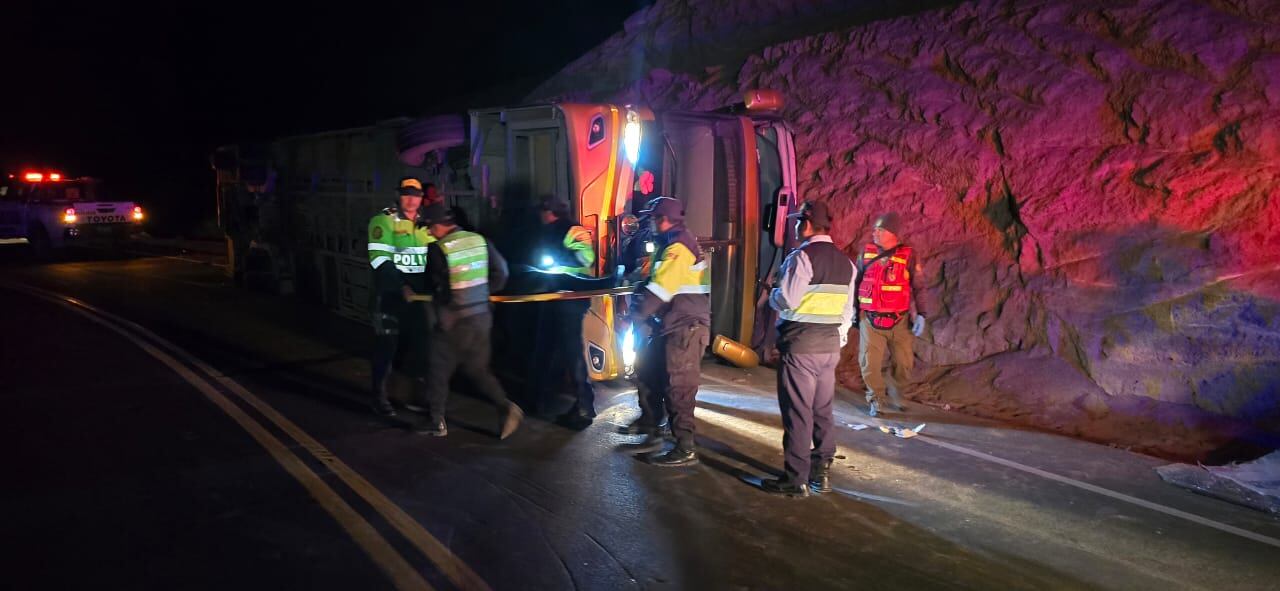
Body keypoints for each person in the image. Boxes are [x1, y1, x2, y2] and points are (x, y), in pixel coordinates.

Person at [761, 201, 856, 497]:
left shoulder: (801, 257)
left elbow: (788, 299)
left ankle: (795, 479)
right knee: (822, 410)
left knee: (798, 412)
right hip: (829, 348)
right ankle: (821, 471)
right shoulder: (847, 263)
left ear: (806, 223)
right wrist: (837, 341)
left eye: (798, 222)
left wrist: (772, 293)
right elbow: (846, 312)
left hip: (801, 346)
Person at [413, 203, 523, 439]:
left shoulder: (438, 249)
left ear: (438, 225)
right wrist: (482, 294)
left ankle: (436, 422)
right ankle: (506, 407)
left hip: (455, 320)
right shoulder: (479, 240)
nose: (430, 233)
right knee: (477, 369)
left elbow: (434, 288)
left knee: (437, 368)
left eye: (430, 228)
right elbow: (501, 272)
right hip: (482, 317)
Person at [625, 196, 711, 467]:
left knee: (679, 389)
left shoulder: (678, 247)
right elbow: (656, 282)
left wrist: (635, 314)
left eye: (651, 218)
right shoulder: (668, 244)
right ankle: (652, 425)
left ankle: (685, 448)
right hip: (672, 324)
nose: (648, 223)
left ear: (663, 220)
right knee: (650, 372)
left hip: (685, 327)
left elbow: (661, 290)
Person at [366, 177, 434, 417]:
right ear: (398, 195)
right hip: (391, 296)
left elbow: (434, 260)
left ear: (421, 198)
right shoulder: (384, 221)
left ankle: (417, 397)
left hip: (420, 300)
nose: (411, 199)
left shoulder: (426, 224)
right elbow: (379, 260)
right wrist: (401, 286)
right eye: (406, 193)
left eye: (415, 194)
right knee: (387, 348)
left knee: (421, 348)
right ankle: (379, 398)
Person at [531, 197, 599, 429]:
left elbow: (586, 257)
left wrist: (559, 256)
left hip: (570, 298)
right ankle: (543, 399)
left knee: (572, 352)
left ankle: (584, 405)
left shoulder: (574, 230)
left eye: (542, 211)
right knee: (547, 350)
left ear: (550, 211)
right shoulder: (546, 231)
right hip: (551, 297)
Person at [856, 212, 926, 417]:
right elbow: (857, 283)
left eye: (880, 229)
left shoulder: (909, 255)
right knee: (869, 363)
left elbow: (920, 286)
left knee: (904, 363)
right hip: (870, 319)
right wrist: (853, 314)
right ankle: (876, 398)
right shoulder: (866, 253)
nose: (874, 232)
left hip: (899, 321)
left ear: (893, 233)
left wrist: (922, 314)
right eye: (875, 229)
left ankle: (896, 389)